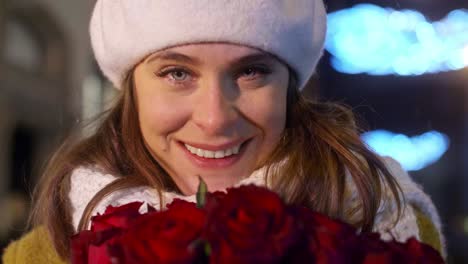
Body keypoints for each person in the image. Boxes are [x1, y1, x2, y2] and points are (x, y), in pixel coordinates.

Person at [3, 0, 445, 263]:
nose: (214, 119)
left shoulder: (385, 226)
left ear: (290, 88)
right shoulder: (46, 254)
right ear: (131, 89)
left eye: (252, 72)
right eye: (177, 73)